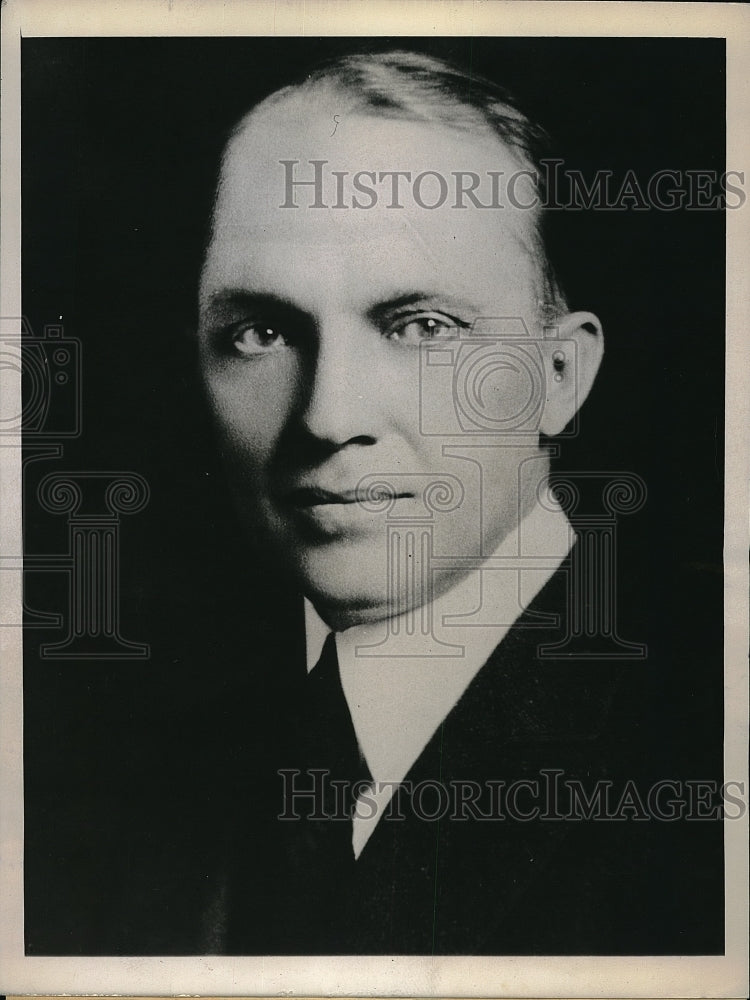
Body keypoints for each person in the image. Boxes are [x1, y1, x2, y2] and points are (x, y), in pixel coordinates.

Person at [24, 48, 722, 958]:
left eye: (421, 326)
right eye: (261, 332)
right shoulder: (112, 768)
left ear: (558, 376)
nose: (328, 416)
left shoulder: (706, 734)